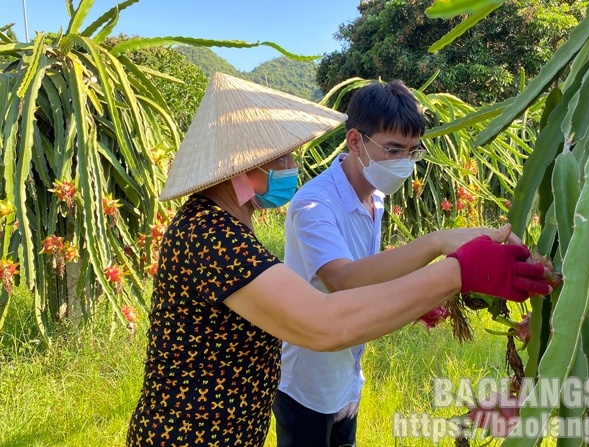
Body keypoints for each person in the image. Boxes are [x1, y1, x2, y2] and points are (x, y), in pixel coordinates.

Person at [126, 73, 550, 447]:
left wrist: (409, 295)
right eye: (282, 157)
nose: (292, 166)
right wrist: (455, 269)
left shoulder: (222, 225)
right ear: (243, 164)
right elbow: (323, 320)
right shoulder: (212, 236)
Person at [273, 79, 525, 447]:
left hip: (347, 373)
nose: (403, 163)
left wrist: (416, 299)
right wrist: (438, 243)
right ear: (355, 141)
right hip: (307, 382)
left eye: (411, 151)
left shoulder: (375, 198)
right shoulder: (314, 206)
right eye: (392, 149)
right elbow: (343, 279)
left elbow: (368, 270)